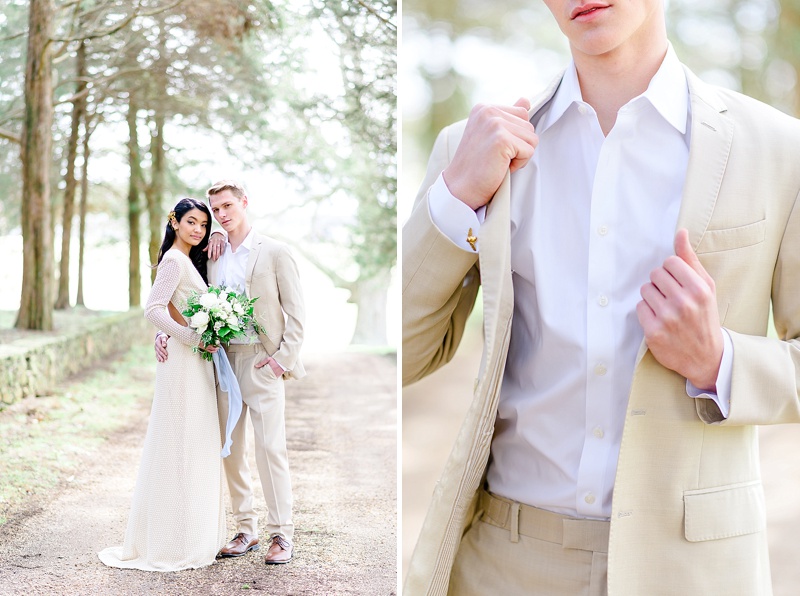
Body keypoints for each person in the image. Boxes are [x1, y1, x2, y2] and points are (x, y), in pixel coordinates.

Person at [403, 1, 800, 594]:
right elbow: (408, 356)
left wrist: (719, 361)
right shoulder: (469, 151)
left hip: (692, 572)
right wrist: (455, 197)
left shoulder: (780, 150)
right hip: (503, 562)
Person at [156, 180, 305, 565]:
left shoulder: (274, 251)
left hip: (261, 362)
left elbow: (297, 314)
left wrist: (280, 360)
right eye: (215, 210)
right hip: (220, 362)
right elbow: (182, 298)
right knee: (231, 450)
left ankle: (281, 534)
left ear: (243, 202)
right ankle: (245, 529)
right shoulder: (212, 253)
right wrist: (164, 330)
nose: (221, 215)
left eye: (226, 207)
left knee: (271, 448)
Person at [99, 198, 226, 571]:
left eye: (204, 225)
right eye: (191, 222)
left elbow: (169, 310)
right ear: (174, 222)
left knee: (193, 443)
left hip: (194, 362)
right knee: (181, 444)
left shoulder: (187, 260)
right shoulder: (173, 260)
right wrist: (189, 337)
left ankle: (190, 531)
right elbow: (153, 307)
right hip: (184, 364)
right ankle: (174, 539)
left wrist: (177, 333)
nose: (198, 230)